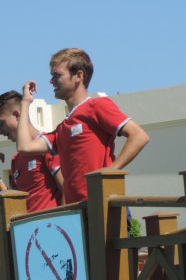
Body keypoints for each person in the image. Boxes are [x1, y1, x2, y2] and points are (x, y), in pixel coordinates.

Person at [16, 48, 149, 205]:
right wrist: (25, 102)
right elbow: (24, 147)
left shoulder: (97, 106)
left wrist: (111, 171)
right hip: (77, 211)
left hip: (103, 206)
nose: (51, 81)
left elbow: (139, 136)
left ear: (78, 76)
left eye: (57, 75)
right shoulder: (62, 129)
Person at [0, 90, 63, 212]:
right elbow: (13, 203)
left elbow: (66, 189)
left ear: (17, 115)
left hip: (52, 223)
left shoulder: (47, 147)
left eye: (1, 124)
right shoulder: (16, 159)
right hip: (28, 224)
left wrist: (62, 220)